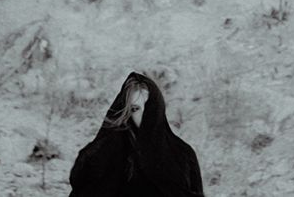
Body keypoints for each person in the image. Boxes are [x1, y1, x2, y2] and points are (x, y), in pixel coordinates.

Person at [68, 72, 204, 196]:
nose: (144, 115)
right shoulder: (101, 154)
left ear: (157, 107)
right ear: (128, 112)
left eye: (149, 106)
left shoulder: (182, 154)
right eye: (135, 108)